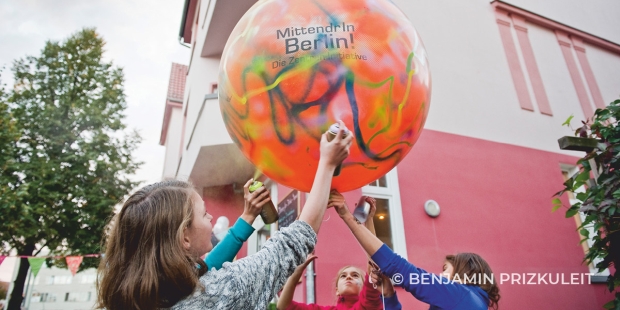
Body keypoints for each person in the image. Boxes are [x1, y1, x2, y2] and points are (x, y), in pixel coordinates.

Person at [96, 121, 353, 310]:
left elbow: (204, 269)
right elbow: (292, 242)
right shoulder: (218, 294)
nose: (210, 218)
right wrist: (328, 164)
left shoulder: (146, 295)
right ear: (184, 237)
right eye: (204, 213)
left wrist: (247, 218)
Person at [329, 191, 500, 310]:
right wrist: (388, 294)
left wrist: (347, 216)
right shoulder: (475, 302)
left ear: (464, 273)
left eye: (446, 269)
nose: (440, 276)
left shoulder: (460, 295)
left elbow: (399, 268)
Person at [277, 193, 401, 310]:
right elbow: (284, 307)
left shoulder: (367, 305)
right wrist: (296, 273)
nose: (348, 277)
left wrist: (369, 220)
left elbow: (374, 266)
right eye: (343, 276)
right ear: (337, 290)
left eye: (355, 275)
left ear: (365, 286)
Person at [203, 189, 268, 270]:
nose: (211, 217)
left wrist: (248, 215)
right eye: (204, 213)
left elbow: (208, 266)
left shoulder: (194, 275)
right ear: (185, 239)